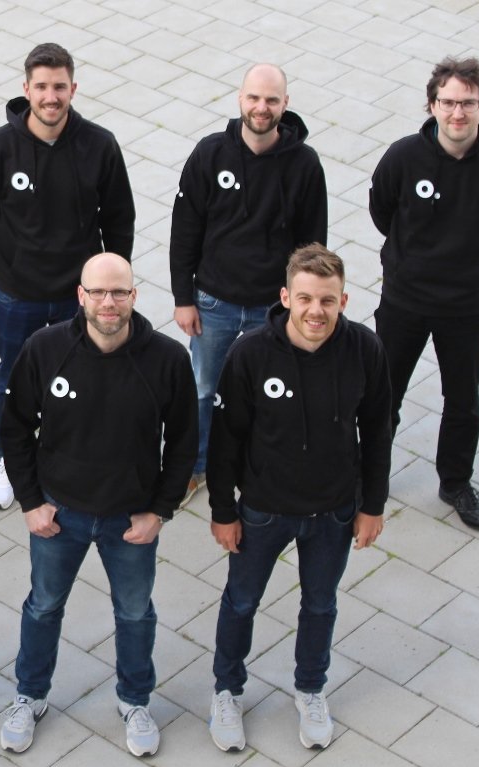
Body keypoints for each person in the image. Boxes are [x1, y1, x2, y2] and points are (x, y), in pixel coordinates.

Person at [0, 254, 197, 757]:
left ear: (134, 296)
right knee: (43, 607)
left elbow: (184, 443)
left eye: (119, 292)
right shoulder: (46, 349)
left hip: (130, 521)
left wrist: (160, 511)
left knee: (134, 614)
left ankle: (135, 701)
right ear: (81, 296)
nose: (109, 302)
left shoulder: (167, 359)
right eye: (99, 292)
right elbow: (14, 426)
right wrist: (31, 502)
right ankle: (30, 695)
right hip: (58, 516)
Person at [205, 245, 391, 753]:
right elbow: (225, 440)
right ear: (286, 297)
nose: (316, 311)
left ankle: (310, 689)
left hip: (334, 512)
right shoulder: (250, 353)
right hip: (262, 511)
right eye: (305, 298)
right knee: (241, 601)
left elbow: (378, 432)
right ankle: (227, 690)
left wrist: (372, 505)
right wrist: (223, 511)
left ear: (343, 301)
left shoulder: (365, 350)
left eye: (327, 300)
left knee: (321, 604)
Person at [0, 43, 135, 511]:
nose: (50, 96)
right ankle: (8, 460)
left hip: (81, 297)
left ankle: (77, 457)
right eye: (41, 86)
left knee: (86, 376)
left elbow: (119, 220)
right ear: (26, 89)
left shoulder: (99, 145)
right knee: (13, 379)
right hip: (17, 296)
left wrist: (113, 291)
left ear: (73, 88)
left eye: (59, 86)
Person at [369, 56, 479, 530]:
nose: (457, 112)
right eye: (448, 102)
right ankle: (368, 479)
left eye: (468, 103)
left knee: (463, 401)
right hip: (404, 302)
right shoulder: (403, 158)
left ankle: (456, 482)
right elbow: (382, 210)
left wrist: (473, 266)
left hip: (465, 307)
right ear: (432, 105)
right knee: (383, 396)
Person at [170, 63, 327, 507]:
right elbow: (185, 230)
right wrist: (183, 298)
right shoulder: (210, 154)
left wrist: (300, 307)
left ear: (285, 104)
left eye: (271, 100)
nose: (262, 107)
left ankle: (261, 468)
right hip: (213, 302)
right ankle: (196, 466)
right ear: (240, 99)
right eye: (254, 98)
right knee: (203, 390)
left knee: (270, 392)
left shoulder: (304, 165)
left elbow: (313, 246)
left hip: (271, 308)